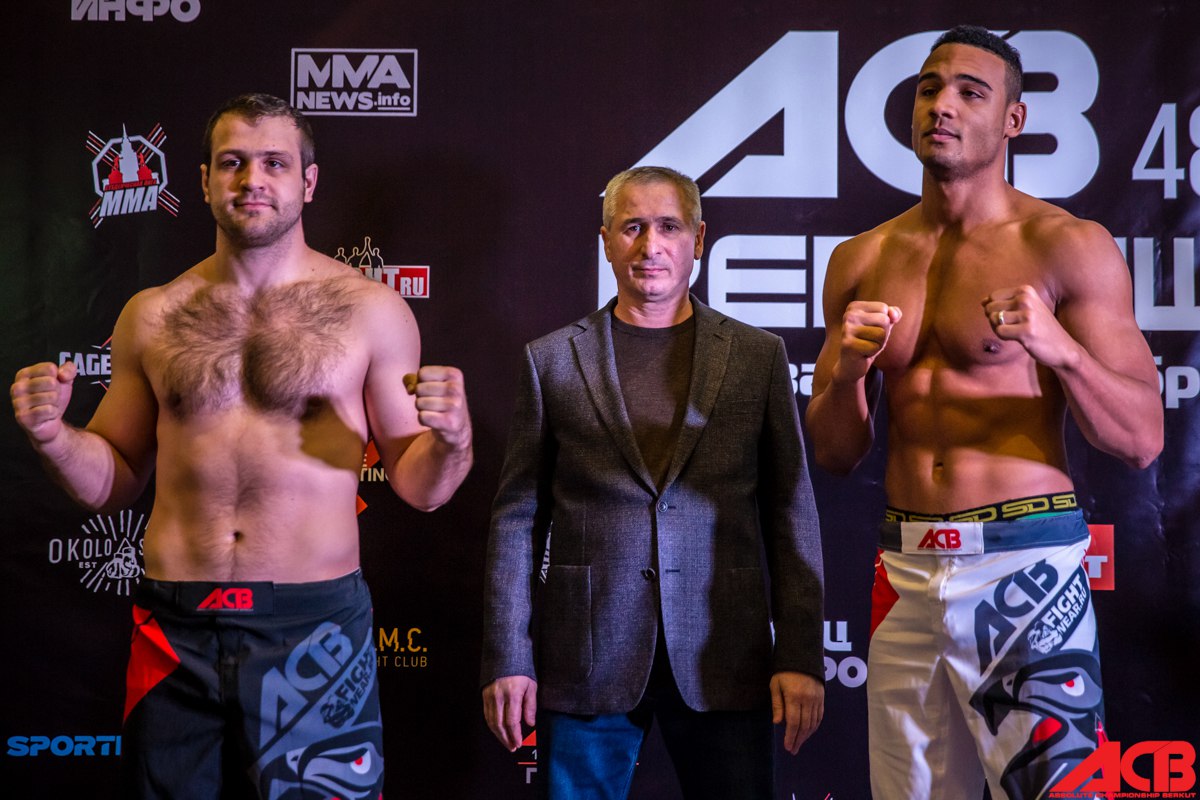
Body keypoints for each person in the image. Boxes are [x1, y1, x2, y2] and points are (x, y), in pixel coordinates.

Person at [10, 93, 473, 799]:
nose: (252, 179)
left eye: (274, 163)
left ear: (307, 183)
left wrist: (453, 442)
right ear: (203, 181)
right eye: (232, 162)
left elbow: (421, 485)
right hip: (174, 628)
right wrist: (54, 438)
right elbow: (112, 479)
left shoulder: (371, 312)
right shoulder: (152, 315)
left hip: (313, 628)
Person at [806, 25, 1163, 800]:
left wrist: (1061, 351)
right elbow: (834, 453)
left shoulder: (1067, 246)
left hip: (1024, 571)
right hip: (904, 573)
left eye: (971, 92)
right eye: (929, 88)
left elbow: (1141, 438)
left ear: (1013, 120)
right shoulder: (861, 259)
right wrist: (851, 375)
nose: (942, 105)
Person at [480, 166, 825, 799]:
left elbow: (790, 511)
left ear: (699, 238)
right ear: (606, 241)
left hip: (725, 655)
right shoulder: (551, 360)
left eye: (668, 227)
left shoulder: (757, 357)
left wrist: (800, 654)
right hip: (588, 655)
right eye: (632, 227)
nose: (650, 246)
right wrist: (508, 654)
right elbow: (517, 519)